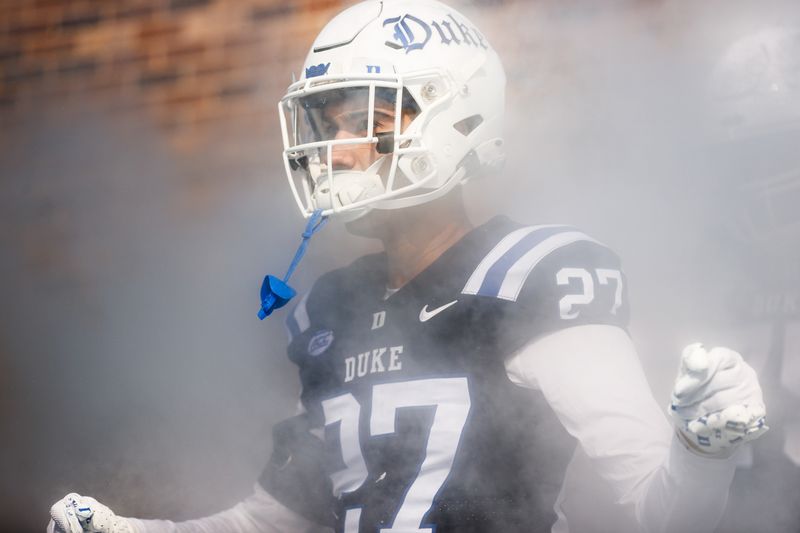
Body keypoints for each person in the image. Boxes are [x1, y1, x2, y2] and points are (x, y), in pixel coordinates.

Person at [48, 1, 768, 532]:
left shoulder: (531, 274)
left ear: (453, 118)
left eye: (364, 118)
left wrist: (700, 448)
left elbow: (662, 509)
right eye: (328, 124)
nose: (338, 147)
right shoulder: (333, 307)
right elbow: (277, 521)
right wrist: (139, 531)